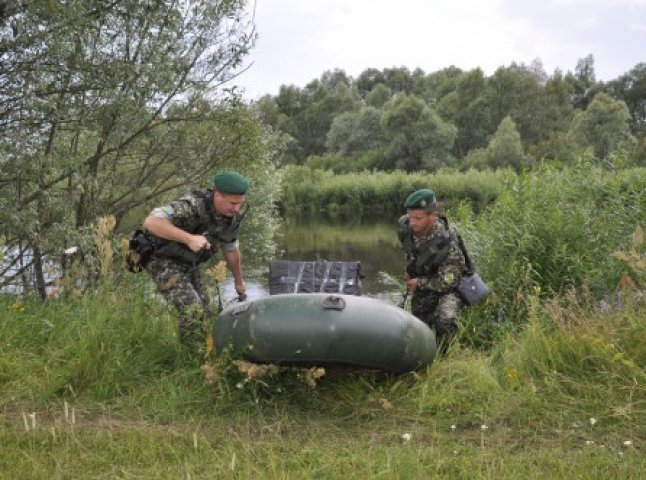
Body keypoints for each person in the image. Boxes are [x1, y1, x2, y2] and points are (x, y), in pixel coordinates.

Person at [139, 171, 248, 345]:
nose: (236, 209)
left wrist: (239, 282)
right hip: (160, 258)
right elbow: (151, 222)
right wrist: (189, 239)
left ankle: (204, 351)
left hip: (189, 262)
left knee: (205, 310)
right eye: (232, 203)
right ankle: (190, 359)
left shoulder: (231, 221)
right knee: (192, 309)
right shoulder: (192, 205)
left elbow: (231, 250)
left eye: (240, 204)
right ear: (217, 195)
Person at [396, 188, 469, 350]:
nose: (412, 222)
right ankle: (423, 355)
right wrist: (411, 269)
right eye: (410, 216)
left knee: (445, 319)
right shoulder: (404, 226)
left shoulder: (448, 243)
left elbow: (449, 281)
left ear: (433, 216)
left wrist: (419, 282)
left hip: (451, 287)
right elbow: (408, 249)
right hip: (424, 281)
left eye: (418, 218)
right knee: (418, 325)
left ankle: (447, 355)